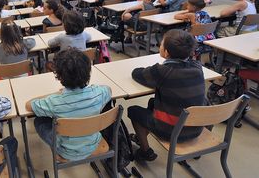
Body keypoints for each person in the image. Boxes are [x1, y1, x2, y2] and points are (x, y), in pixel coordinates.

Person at [128, 29, 206, 161]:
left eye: (161, 44)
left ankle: (145, 151)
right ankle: (144, 133)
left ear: (166, 52)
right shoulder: (198, 67)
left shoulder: (162, 71)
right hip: (196, 128)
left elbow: (137, 73)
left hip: (171, 131)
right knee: (153, 103)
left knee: (133, 110)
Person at [25, 48, 112, 161]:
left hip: (66, 152)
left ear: (60, 77)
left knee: (39, 120)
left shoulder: (55, 102)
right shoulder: (98, 93)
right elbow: (109, 90)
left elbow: (29, 105)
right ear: (88, 71)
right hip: (92, 144)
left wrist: (56, 93)